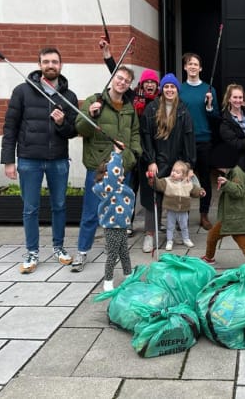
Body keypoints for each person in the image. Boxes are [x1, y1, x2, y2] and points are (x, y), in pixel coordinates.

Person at [1, 47, 80, 274]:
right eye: (46, 61)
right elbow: (10, 127)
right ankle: (32, 252)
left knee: (60, 206)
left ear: (61, 65)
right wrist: (9, 160)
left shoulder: (69, 96)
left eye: (54, 61)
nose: (50, 65)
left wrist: (61, 123)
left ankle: (59, 248)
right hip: (29, 160)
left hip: (58, 160)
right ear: (40, 64)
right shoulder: (22, 91)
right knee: (30, 209)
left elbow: (73, 131)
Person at [73, 66, 142, 272]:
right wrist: (93, 115)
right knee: (91, 211)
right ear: (112, 78)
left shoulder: (129, 108)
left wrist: (132, 155)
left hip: (122, 167)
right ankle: (82, 251)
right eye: (119, 78)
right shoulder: (94, 102)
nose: (122, 82)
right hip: (99, 167)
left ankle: (116, 249)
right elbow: (80, 129)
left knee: (119, 211)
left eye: (126, 80)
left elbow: (135, 134)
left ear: (129, 85)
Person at [99, 39, 160, 237]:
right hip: (133, 149)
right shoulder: (133, 97)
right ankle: (127, 223)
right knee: (129, 188)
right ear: (142, 84)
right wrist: (108, 56)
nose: (150, 85)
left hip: (151, 151)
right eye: (147, 82)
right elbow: (116, 76)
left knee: (151, 189)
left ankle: (153, 227)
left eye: (153, 82)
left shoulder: (161, 102)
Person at [139, 73, 196, 254]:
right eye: (166, 87)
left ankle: (179, 231)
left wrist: (189, 164)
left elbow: (189, 137)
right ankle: (150, 233)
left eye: (173, 87)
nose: (169, 90)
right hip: (157, 160)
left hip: (177, 162)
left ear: (177, 90)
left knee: (179, 195)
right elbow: (146, 136)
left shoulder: (183, 110)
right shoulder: (152, 109)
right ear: (161, 89)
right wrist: (151, 160)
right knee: (152, 196)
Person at [201, 146, 245, 282]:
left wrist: (226, 184)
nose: (218, 168)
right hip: (230, 218)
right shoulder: (231, 172)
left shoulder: (237, 173)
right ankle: (209, 257)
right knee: (212, 236)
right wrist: (225, 183)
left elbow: (238, 191)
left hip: (237, 220)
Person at [179, 52, 220, 230]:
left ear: (201, 68)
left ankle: (204, 215)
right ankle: (183, 216)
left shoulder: (209, 90)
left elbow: (216, 117)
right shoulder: (179, 89)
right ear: (185, 67)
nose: (193, 67)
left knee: (204, 179)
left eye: (196, 64)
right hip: (185, 141)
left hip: (204, 140)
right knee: (184, 179)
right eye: (190, 64)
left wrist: (209, 105)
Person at [92, 144, 134, 292]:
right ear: (108, 174)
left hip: (121, 224)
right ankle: (108, 281)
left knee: (124, 252)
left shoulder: (115, 187)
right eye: (118, 173)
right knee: (113, 254)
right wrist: (116, 154)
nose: (121, 175)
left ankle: (128, 275)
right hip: (112, 225)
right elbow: (113, 173)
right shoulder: (109, 187)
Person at [151, 160, 205, 251]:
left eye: (177, 172)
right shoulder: (167, 181)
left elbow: (195, 190)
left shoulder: (188, 183)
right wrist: (153, 178)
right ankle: (169, 240)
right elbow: (158, 184)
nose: (173, 173)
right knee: (170, 226)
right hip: (171, 209)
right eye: (173, 171)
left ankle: (186, 239)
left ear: (183, 175)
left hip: (183, 209)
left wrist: (201, 192)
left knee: (184, 226)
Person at [218, 84, 245, 194]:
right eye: (235, 97)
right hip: (239, 165)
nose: (238, 100)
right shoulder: (225, 121)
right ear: (229, 99)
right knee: (241, 198)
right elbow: (237, 144)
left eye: (240, 97)